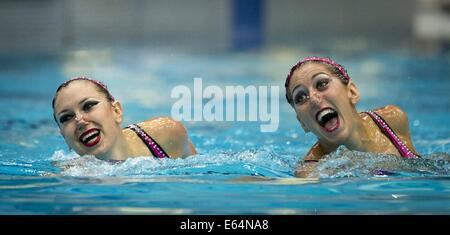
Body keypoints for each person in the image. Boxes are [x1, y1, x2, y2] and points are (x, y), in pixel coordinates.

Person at [284, 56, 420, 177]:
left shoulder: (392, 120)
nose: (313, 98)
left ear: (352, 92)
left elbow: (420, 168)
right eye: (300, 97)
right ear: (302, 123)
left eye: (322, 84)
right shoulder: (312, 171)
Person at [52, 77, 197, 161]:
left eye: (88, 106)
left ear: (117, 111)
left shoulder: (166, 135)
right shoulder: (71, 177)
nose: (79, 120)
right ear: (64, 136)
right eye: (66, 117)